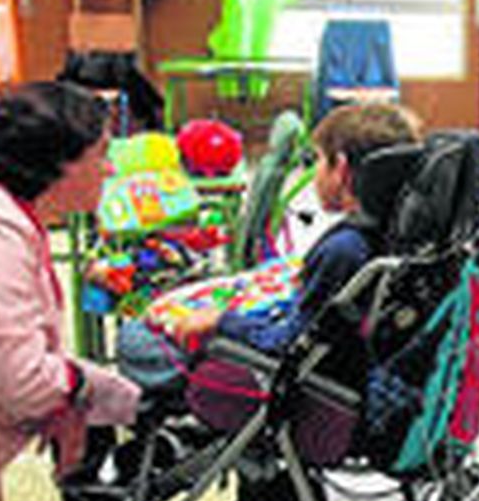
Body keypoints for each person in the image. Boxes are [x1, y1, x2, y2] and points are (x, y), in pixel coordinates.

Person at [0, 81, 141, 477]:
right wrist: (81, 388)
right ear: (59, 163)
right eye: (102, 154)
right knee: (107, 393)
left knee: (112, 396)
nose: (110, 169)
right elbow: (21, 381)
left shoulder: (7, 211)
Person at [168, 102, 422, 354]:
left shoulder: (344, 250)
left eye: (319, 159)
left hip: (291, 376)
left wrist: (221, 321)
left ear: (341, 169)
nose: (314, 173)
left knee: (141, 343)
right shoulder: (400, 228)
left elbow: (288, 341)